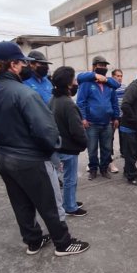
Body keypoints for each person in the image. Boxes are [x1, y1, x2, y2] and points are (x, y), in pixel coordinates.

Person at [0, 41, 89, 257]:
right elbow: (46, 132)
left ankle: (33, 241)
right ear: (13, 65)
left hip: (3, 157)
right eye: (23, 62)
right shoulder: (25, 94)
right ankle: (63, 243)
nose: (27, 66)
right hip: (30, 159)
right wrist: (53, 149)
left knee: (21, 203)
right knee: (50, 203)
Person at [49, 66, 88, 216]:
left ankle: (68, 201)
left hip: (57, 146)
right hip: (68, 148)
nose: (76, 82)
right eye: (74, 79)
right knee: (70, 179)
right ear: (68, 83)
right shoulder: (68, 103)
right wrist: (84, 143)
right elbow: (76, 131)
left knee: (65, 178)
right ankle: (70, 206)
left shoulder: (53, 99)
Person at [77, 55, 120, 180]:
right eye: (101, 65)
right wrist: (83, 118)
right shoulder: (86, 83)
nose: (103, 68)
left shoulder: (109, 84)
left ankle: (104, 168)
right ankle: (93, 169)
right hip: (91, 123)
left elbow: (114, 102)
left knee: (107, 148)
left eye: (105, 66)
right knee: (92, 149)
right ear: (94, 67)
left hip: (107, 123)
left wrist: (116, 117)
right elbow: (81, 102)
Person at [109, 68, 125, 172]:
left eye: (121, 76)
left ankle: (125, 156)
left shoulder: (124, 87)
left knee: (124, 138)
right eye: (117, 76)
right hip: (112, 118)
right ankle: (110, 162)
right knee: (110, 139)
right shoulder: (109, 87)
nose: (119, 78)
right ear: (112, 76)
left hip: (123, 117)